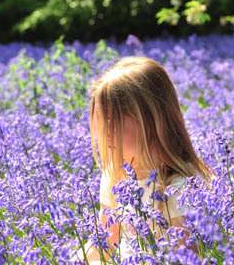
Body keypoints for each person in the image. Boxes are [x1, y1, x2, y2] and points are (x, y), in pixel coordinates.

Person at [72, 56, 216, 263]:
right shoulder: (115, 177)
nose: (106, 134)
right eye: (102, 125)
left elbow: (186, 258)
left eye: (114, 123)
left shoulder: (179, 188)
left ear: (152, 121)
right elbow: (104, 244)